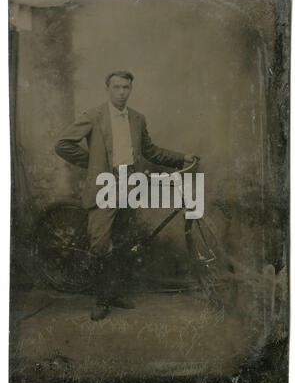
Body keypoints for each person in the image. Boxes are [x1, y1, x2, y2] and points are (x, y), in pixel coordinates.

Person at [55, 70, 196, 321]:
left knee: (122, 240)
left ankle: (114, 293)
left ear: (131, 90)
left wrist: (181, 157)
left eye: (126, 88)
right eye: (117, 87)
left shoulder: (137, 119)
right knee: (100, 244)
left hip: (129, 182)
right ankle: (100, 299)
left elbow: (151, 151)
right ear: (108, 89)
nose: (121, 92)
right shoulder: (94, 115)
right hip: (104, 184)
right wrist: (93, 163)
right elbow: (63, 144)